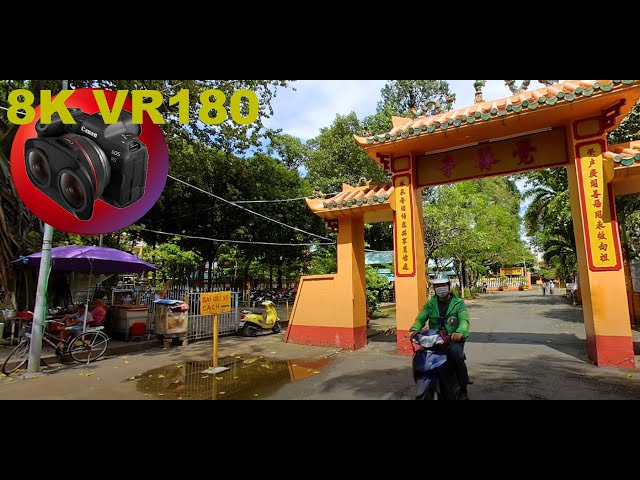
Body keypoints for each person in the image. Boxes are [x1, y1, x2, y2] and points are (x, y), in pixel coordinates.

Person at [409, 277, 471, 400]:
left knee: (456, 354)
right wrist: (414, 329)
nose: (440, 288)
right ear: (434, 289)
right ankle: (423, 378)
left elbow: (464, 319)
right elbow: (421, 318)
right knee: (420, 354)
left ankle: (463, 389)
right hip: (434, 339)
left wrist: (459, 332)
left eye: (443, 285)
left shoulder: (458, 303)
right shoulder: (430, 304)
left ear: (449, 286)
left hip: (453, 340)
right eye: (437, 286)